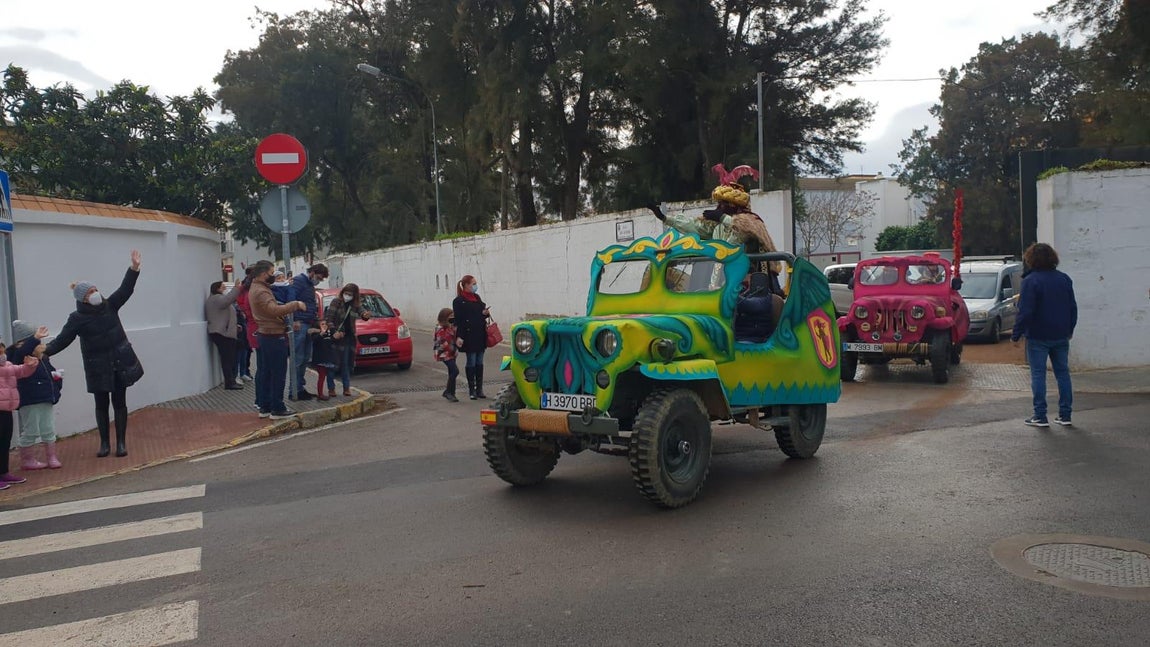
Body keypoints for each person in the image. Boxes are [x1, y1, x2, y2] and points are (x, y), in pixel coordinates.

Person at [44, 250, 145, 458]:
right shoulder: (77, 318)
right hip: (97, 366)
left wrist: (134, 268)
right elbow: (63, 339)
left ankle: (121, 444)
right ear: (83, 298)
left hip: (118, 362)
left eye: (95, 289)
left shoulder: (110, 305)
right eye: (90, 291)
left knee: (120, 402)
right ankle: (104, 444)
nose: (95, 293)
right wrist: (44, 352)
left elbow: (126, 289)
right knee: (101, 405)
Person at [648, 164, 783, 295]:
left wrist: (723, 218)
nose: (720, 207)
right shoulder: (717, 226)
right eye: (719, 203)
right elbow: (694, 226)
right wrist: (665, 218)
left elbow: (737, 238)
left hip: (747, 286)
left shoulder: (750, 222)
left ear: (733, 204)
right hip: (718, 283)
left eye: (724, 203)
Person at [1012, 243, 1077, 428]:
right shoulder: (1064, 279)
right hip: (1061, 334)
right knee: (1063, 373)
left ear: (1031, 259)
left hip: (1038, 335)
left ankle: (1040, 415)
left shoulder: (1031, 281)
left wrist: (1016, 335)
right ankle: (1065, 415)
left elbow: (1025, 311)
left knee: (1038, 374)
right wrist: (1070, 329)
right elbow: (1073, 307)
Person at [248, 260, 307, 419]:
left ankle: (265, 406)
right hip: (272, 334)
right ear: (263, 273)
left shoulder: (258, 288)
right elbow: (273, 310)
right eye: (271, 273)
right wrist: (295, 304)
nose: (273, 276)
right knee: (278, 372)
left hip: (266, 334)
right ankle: (277, 407)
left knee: (267, 372)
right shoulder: (261, 291)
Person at [8, 321, 62, 470]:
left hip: (45, 398)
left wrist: (57, 382)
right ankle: (27, 460)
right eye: (36, 340)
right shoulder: (17, 356)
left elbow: (50, 374)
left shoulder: (42, 358)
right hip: (29, 400)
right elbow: (22, 352)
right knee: (31, 430)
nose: (40, 344)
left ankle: (52, 456)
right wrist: (34, 338)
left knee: (48, 428)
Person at [0, 345, 39, 489]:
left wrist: (30, 366)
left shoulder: (7, 365)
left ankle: (3, 472)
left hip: (6, 409)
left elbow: (20, 371)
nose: (3, 354)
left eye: (3, 351)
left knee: (4, 442)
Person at [324, 282, 371, 397]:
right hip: (336, 338)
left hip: (348, 338)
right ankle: (331, 388)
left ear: (354, 295)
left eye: (350, 294)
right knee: (333, 364)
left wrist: (366, 315)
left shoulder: (355, 305)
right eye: (346, 293)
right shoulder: (336, 302)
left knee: (346, 364)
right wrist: (334, 331)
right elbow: (329, 318)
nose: (347, 296)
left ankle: (346, 388)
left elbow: (362, 313)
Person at [290, 263, 329, 400]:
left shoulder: (310, 285)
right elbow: (291, 300)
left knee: (305, 358)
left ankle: (300, 387)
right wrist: (294, 320)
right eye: (319, 277)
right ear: (312, 272)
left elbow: (311, 304)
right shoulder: (299, 281)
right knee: (298, 358)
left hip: (308, 323)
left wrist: (317, 320)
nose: (319, 280)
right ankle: (294, 390)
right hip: (300, 324)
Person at [452, 275, 491, 400]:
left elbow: (481, 313)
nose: (475, 286)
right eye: (473, 283)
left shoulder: (477, 298)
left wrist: (485, 313)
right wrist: (459, 336)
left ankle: (479, 389)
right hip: (469, 335)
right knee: (471, 361)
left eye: (475, 283)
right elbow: (459, 320)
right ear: (466, 285)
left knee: (480, 362)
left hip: (480, 334)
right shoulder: (459, 301)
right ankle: (472, 389)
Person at [205, 281, 247, 391]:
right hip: (222, 333)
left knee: (229, 357)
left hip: (223, 331)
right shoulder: (217, 299)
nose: (224, 289)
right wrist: (236, 289)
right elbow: (228, 300)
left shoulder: (215, 299)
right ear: (217, 289)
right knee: (227, 359)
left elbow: (225, 314)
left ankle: (231, 380)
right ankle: (230, 382)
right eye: (222, 287)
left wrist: (234, 325)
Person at [433, 308, 459, 402]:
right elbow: (441, 342)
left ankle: (451, 393)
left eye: (453, 316)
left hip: (452, 352)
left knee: (452, 372)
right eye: (450, 316)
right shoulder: (440, 328)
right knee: (455, 371)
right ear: (445, 317)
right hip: (444, 353)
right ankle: (448, 392)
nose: (452, 318)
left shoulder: (452, 326)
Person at [308, 320, 337, 401]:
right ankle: (320, 394)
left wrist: (335, 337)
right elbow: (315, 341)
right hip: (320, 359)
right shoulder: (316, 334)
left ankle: (330, 390)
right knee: (322, 376)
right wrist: (321, 333)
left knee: (328, 374)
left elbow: (331, 342)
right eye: (322, 324)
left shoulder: (328, 333)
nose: (324, 325)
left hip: (328, 358)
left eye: (325, 324)